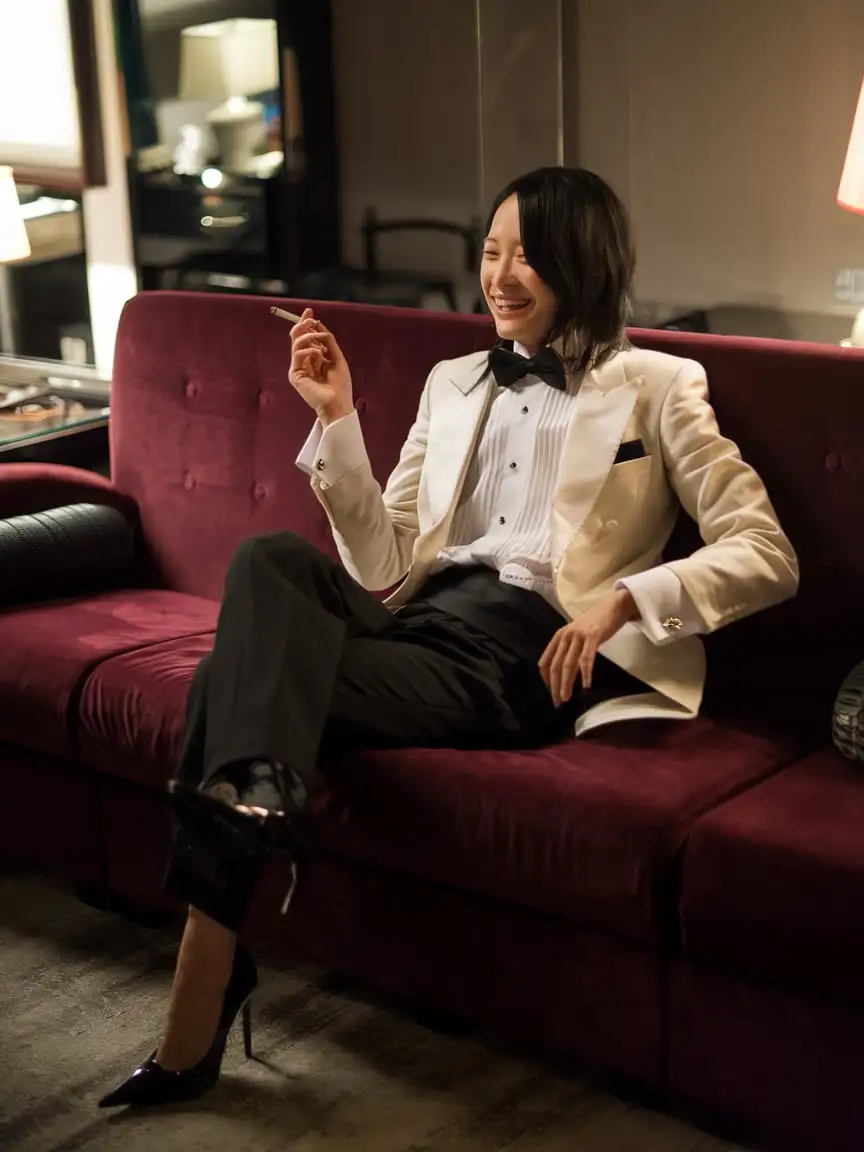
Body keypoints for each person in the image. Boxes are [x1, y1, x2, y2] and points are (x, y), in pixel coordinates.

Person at [99, 167, 798, 1109]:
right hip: (419, 621)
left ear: (580, 265)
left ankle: (204, 978)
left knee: (236, 674)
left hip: (526, 654)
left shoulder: (661, 387)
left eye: (527, 256)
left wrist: (624, 603)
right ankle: (256, 812)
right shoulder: (454, 381)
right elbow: (382, 556)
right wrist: (337, 417)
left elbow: (766, 551)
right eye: (491, 251)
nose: (501, 276)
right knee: (271, 560)